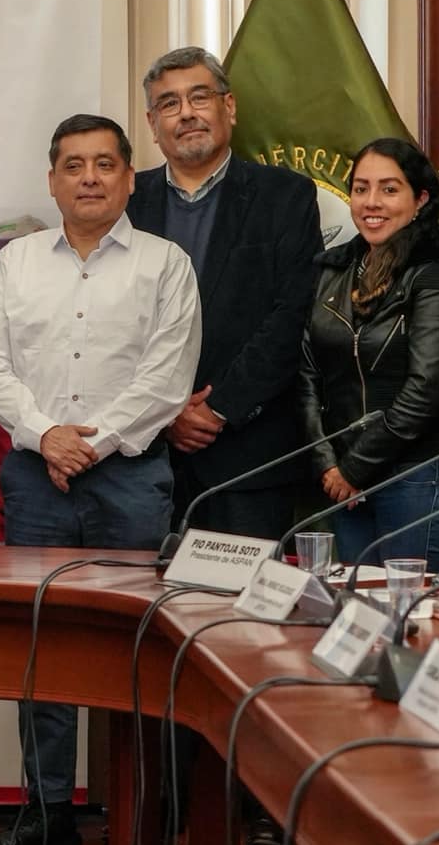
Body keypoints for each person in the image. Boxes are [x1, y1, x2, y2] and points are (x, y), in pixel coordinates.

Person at [0, 114, 199, 845]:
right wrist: (47, 436)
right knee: (42, 648)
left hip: (130, 478)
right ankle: (47, 813)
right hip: (36, 477)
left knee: (137, 648)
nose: (90, 178)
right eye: (73, 165)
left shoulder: (165, 264)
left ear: (130, 178)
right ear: (52, 180)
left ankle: (143, 815)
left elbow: (166, 379)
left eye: (105, 164)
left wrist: (88, 444)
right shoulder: (16, 263)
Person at [129, 47, 321, 540]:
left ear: (228, 107)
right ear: (152, 124)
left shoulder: (286, 195)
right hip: (141, 457)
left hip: (248, 456)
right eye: (169, 104)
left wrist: (219, 408)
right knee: (137, 588)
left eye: (200, 97)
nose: (186, 113)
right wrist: (165, 413)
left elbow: (292, 316)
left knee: (242, 593)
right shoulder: (126, 202)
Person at [299, 139, 439, 571]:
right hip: (342, 480)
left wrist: (354, 469)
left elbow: (425, 390)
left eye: (389, 189)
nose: (371, 202)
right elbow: (306, 375)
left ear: (421, 200)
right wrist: (327, 463)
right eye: (361, 189)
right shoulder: (331, 269)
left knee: (409, 606)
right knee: (356, 604)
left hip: (416, 475)